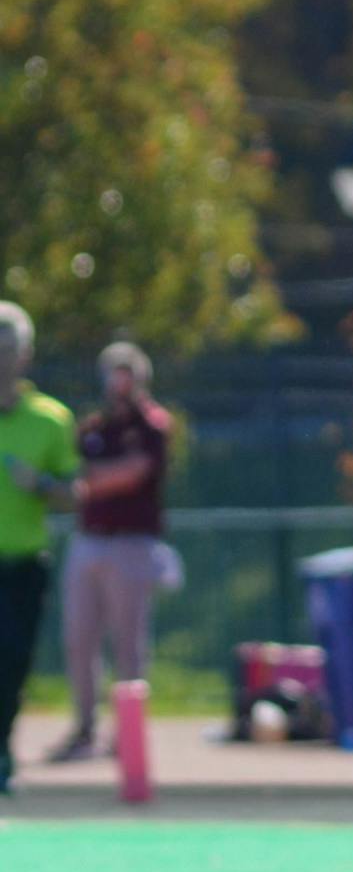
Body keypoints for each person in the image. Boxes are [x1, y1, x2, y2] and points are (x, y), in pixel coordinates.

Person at [47, 341, 174, 763]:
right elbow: (71, 477)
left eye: (127, 373)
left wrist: (88, 481)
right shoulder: (93, 428)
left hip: (131, 544)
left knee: (129, 643)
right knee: (79, 638)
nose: (119, 382)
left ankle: (128, 737)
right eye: (113, 372)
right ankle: (83, 729)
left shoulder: (152, 425)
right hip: (89, 540)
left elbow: (131, 473)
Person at [0, 303, 79, 796]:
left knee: (12, 660)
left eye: (8, 349)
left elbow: (74, 494)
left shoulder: (51, 419)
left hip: (24, 563)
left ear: (26, 356)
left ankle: (2, 748)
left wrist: (40, 484)